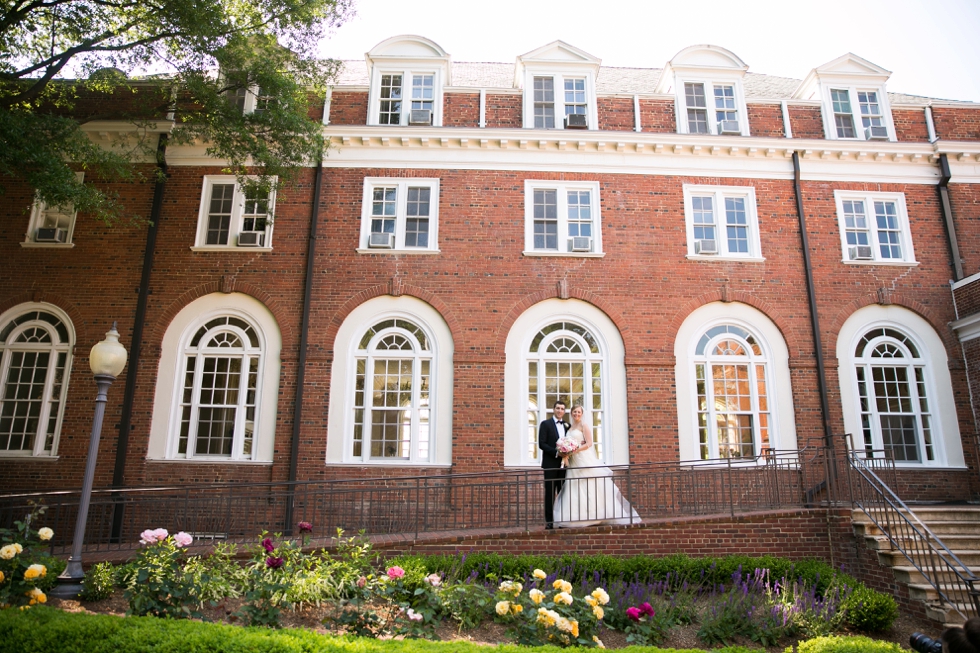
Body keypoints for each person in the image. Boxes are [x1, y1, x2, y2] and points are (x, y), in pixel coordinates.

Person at [553, 404, 641, 527]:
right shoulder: (570, 426)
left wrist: (575, 450)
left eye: (578, 412)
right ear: (571, 413)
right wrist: (566, 450)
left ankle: (594, 515)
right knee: (574, 486)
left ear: (582, 414)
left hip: (583, 458)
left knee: (588, 484)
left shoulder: (584, 426)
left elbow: (589, 443)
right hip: (573, 462)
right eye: (574, 412)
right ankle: (575, 516)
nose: (576, 414)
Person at [538, 400, 569, 530]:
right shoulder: (545, 424)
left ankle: (562, 520)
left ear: (564, 411)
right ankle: (549, 521)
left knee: (563, 493)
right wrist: (556, 453)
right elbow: (542, 444)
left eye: (562, 409)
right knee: (550, 493)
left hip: (564, 465)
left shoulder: (568, 426)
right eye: (558, 408)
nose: (560, 411)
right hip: (550, 464)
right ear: (553, 409)